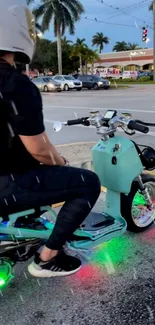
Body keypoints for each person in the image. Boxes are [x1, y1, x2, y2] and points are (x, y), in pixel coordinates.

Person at [0, 0, 101, 278]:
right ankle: (47, 257)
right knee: (88, 183)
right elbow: (40, 150)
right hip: (9, 183)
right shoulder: (14, 84)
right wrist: (60, 162)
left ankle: (27, 220)